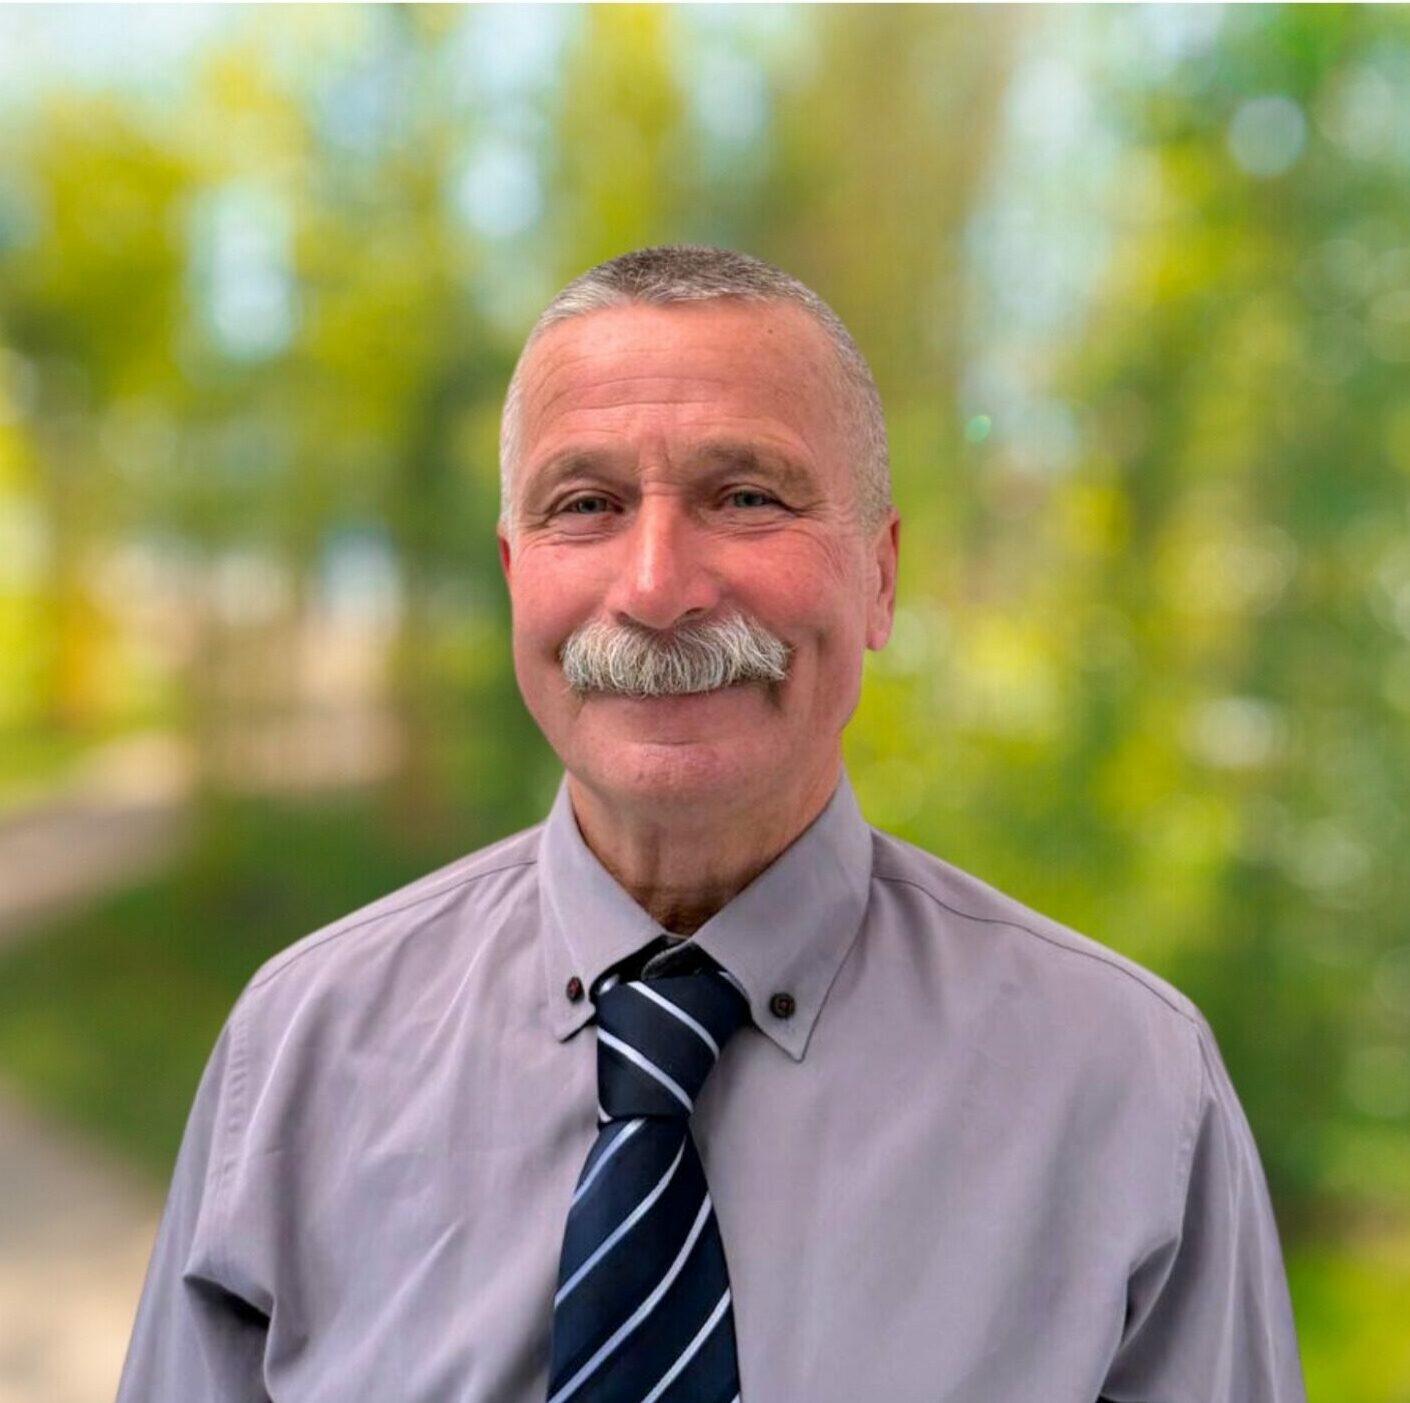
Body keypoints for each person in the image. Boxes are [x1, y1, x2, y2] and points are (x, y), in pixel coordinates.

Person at [117, 245, 1306, 1402]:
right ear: (516, 575)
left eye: (746, 497)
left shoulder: (1129, 1089)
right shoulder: (300, 1053)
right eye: (586, 504)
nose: (655, 587)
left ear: (880, 575)